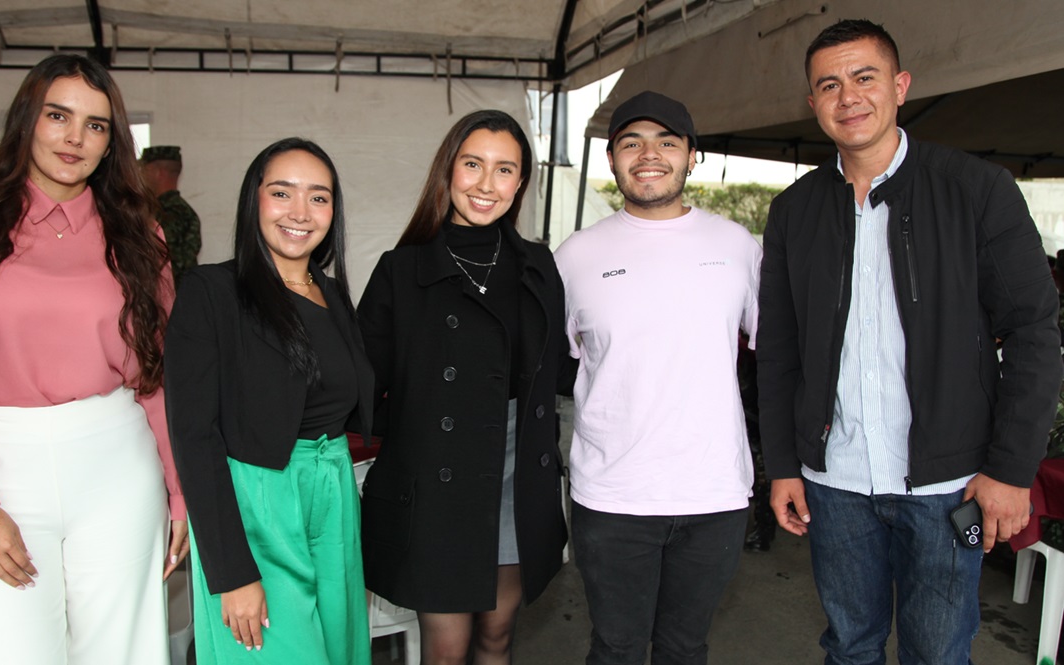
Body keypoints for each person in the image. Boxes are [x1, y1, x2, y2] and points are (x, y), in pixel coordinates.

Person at [757, 19, 1062, 663]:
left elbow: (1035, 331)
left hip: (948, 487)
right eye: (829, 85)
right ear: (812, 104)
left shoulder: (977, 190)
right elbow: (780, 351)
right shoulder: (794, 211)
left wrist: (1010, 469)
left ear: (900, 86)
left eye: (865, 78)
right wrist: (784, 463)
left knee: (938, 651)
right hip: (833, 482)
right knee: (849, 645)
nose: (849, 97)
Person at [0, 54, 187, 664]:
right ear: (27, 120)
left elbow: (159, 376)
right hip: (0, 466)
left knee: (122, 652)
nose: (75, 138)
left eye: (97, 124)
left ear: (112, 142)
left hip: (119, 463)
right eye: (59, 116)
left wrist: (179, 487)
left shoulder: (141, 233)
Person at [553, 91, 761, 665]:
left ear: (692, 155)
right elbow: (559, 361)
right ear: (613, 160)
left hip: (714, 493)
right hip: (613, 495)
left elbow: (776, 354)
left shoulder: (738, 247)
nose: (649, 155)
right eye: (631, 143)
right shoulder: (574, 256)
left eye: (667, 141)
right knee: (616, 648)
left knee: (684, 648)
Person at [357, 109, 570, 665]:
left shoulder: (539, 266)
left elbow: (555, 375)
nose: (485, 184)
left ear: (520, 183)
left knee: (497, 637)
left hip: (512, 473)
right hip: (437, 483)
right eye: (473, 164)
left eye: (505, 170)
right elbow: (361, 384)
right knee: (446, 650)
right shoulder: (401, 271)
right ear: (448, 171)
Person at [164, 138, 373, 664]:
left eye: (319, 198)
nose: (300, 212)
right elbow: (193, 436)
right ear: (253, 200)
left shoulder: (333, 295)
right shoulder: (211, 292)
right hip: (258, 504)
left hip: (333, 494)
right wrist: (230, 572)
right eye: (282, 192)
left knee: (338, 650)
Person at [140, 145, 201, 285]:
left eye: (143, 170)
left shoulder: (171, 213)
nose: (141, 175)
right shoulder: (160, 210)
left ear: (157, 173)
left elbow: (157, 260)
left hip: (171, 300)